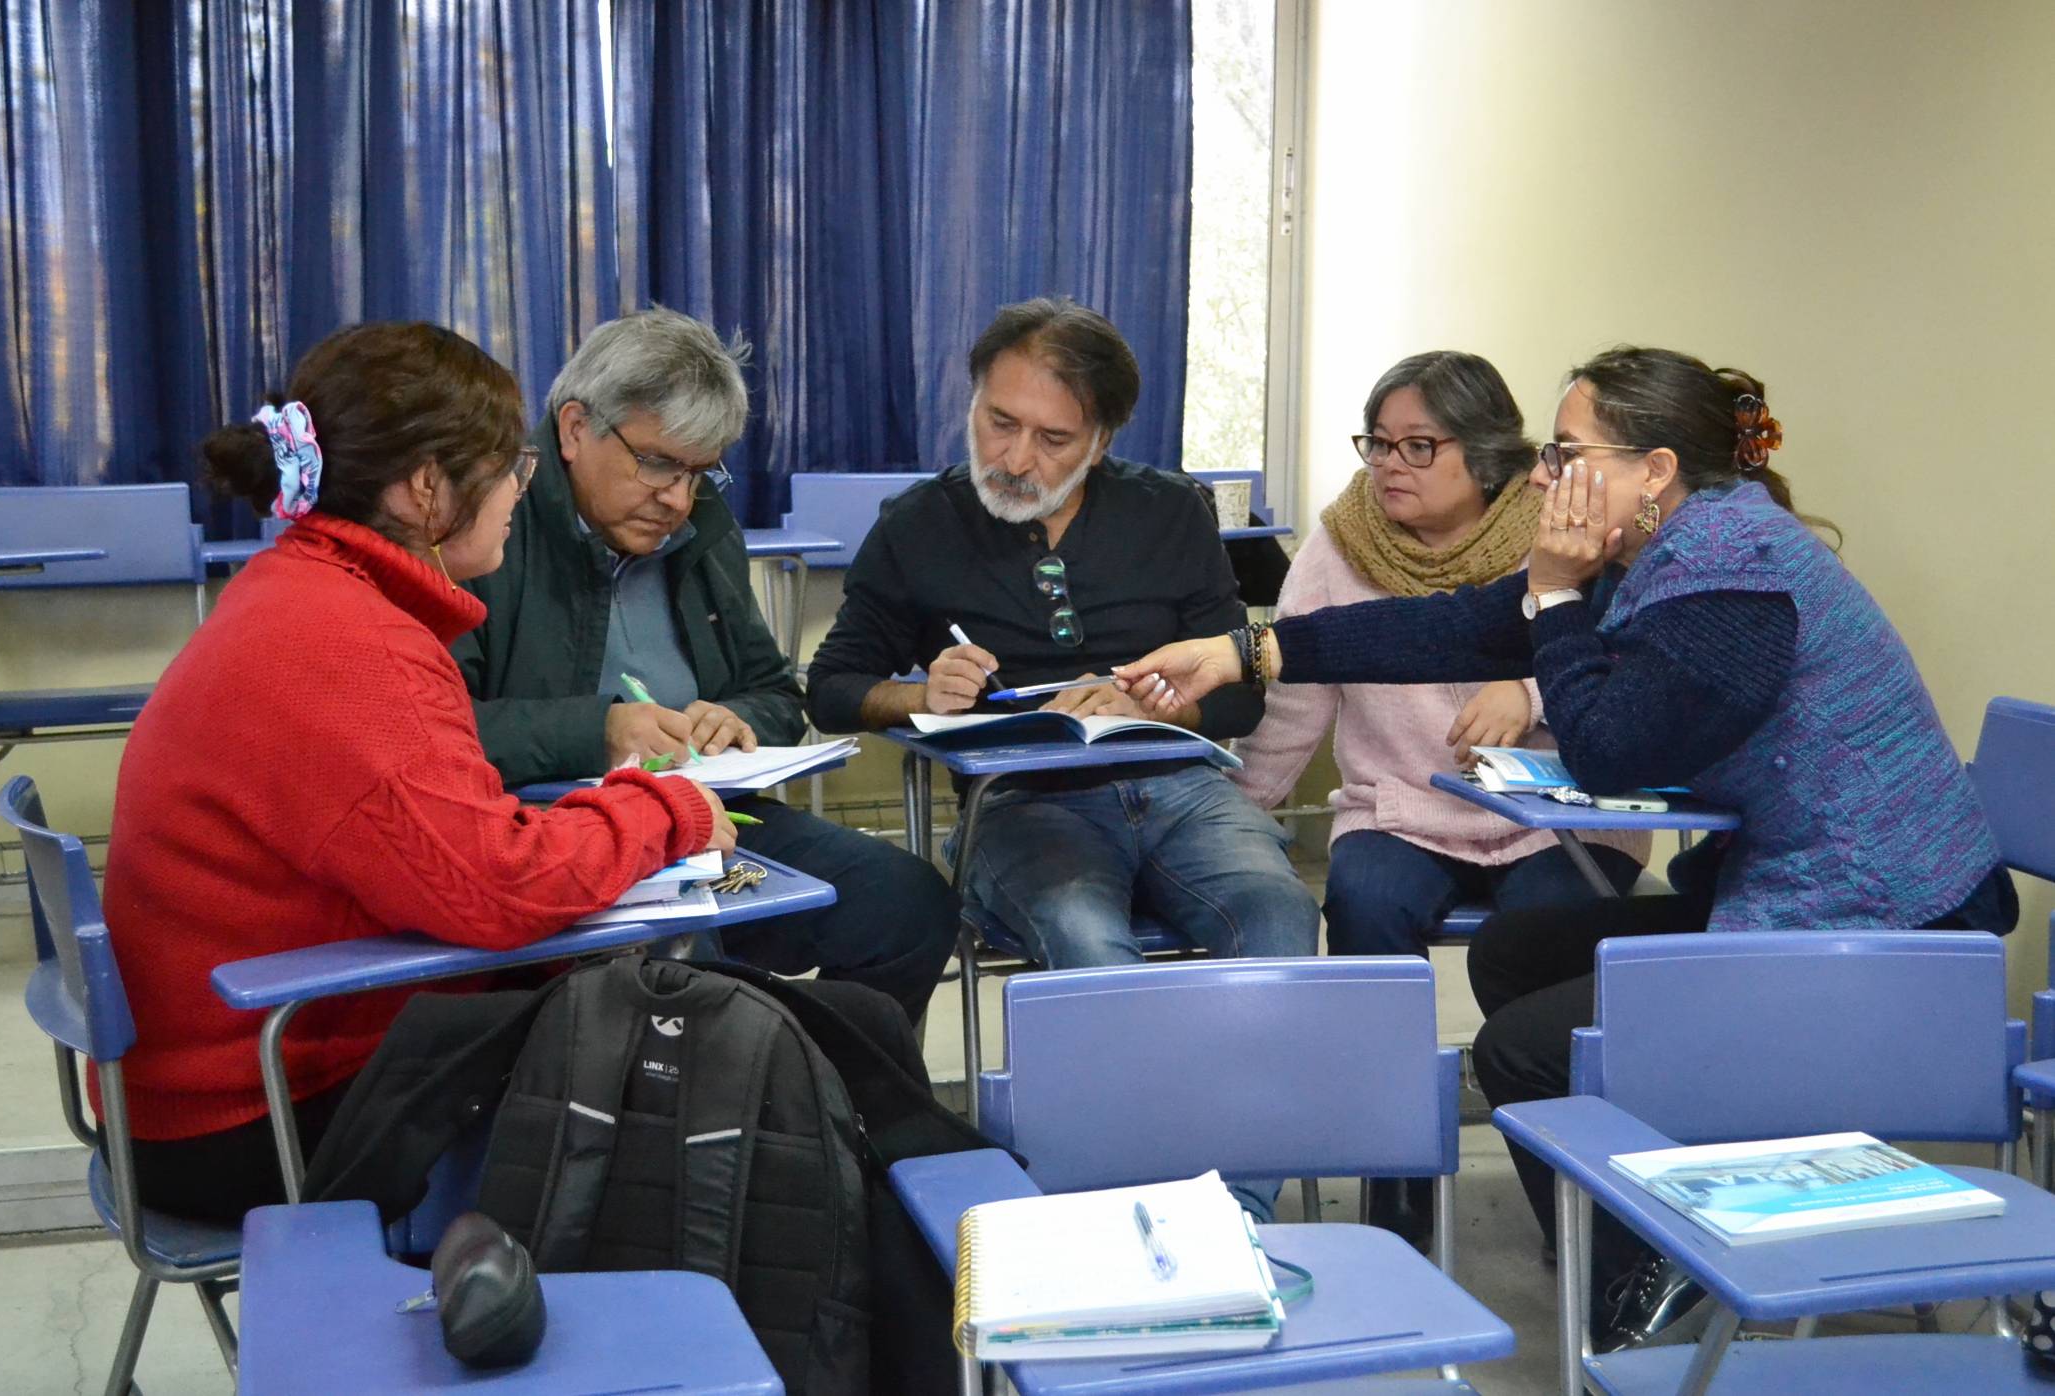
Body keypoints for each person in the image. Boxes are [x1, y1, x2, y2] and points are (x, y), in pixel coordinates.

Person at [1116, 345, 2016, 1342]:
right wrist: (1245, 649)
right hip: (1801, 892)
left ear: (1655, 471)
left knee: (1524, 1052)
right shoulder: (1663, 553)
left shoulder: (1735, 573)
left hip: (1886, 926)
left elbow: (1614, 746)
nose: (1543, 477)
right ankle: (1620, 1222)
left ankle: (1644, 1294)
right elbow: (1453, 628)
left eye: (1566, 453)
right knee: (1517, 954)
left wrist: (1552, 594)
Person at [104, 322, 734, 1223]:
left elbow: (453, 846)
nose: (520, 489)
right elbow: (497, 887)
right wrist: (668, 810)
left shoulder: (304, 594)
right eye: (508, 466)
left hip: (229, 1074)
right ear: (427, 487)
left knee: (666, 1018)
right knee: (696, 1062)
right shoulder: (351, 646)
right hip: (253, 1116)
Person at [451, 308, 956, 1023]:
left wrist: (735, 719)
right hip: (555, 835)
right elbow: (444, 733)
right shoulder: (486, 528)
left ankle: (825, 1089)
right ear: (574, 429)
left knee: (907, 903)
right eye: (658, 463)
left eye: (698, 471)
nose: (677, 498)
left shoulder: (701, 525)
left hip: (707, 821)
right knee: (691, 960)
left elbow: (775, 692)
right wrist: (599, 731)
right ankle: (739, 1083)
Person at [805, 296, 1321, 973]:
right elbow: (830, 689)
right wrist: (920, 698)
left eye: (1053, 440)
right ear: (973, 402)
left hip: (1182, 788)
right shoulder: (918, 525)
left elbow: (1241, 698)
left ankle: (1227, 1054)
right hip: (1021, 799)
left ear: (1100, 442)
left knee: (1279, 909)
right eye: (1000, 423)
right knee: (1086, 936)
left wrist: (1147, 708)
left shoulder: (1170, 511)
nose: (1016, 459)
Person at [1233, 351, 1647, 959]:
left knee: (1546, 931)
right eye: (1379, 444)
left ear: (1484, 453)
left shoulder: (1564, 529)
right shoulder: (1338, 545)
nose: (1390, 465)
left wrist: (1529, 695)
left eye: (1418, 446)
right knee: (1363, 903)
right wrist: (1224, 817)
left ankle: (1531, 1029)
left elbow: (1626, 659)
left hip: (1561, 816)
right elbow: (1294, 703)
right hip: (1400, 815)